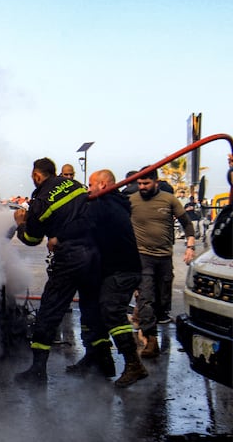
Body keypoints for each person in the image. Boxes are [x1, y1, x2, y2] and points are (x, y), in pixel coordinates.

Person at [12, 158, 102, 384]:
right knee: (91, 308)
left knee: (49, 312)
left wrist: (21, 223)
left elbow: (32, 239)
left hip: (69, 259)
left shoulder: (41, 201)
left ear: (37, 176)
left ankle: (38, 370)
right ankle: (99, 360)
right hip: (95, 253)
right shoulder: (76, 186)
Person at [64, 169, 148, 387]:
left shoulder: (103, 205)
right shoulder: (114, 203)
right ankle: (97, 359)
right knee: (94, 312)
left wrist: (57, 235)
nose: (88, 189)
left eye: (91, 185)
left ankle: (134, 364)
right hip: (112, 270)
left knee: (111, 311)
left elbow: (80, 227)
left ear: (102, 185)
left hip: (121, 271)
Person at [129, 166, 196, 358]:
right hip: (142, 257)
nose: (141, 186)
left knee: (163, 300)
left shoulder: (169, 200)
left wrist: (190, 244)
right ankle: (151, 340)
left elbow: (186, 222)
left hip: (164, 257)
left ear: (155, 182)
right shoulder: (131, 201)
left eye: (146, 183)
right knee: (146, 298)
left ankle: (147, 322)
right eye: (139, 183)